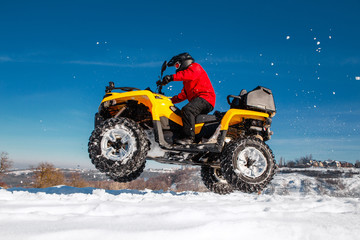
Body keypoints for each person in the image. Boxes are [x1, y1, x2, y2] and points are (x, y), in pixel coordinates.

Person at [160, 52, 216, 145]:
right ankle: (195, 140)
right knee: (184, 115)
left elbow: (188, 74)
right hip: (199, 100)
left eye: (177, 65)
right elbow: (183, 95)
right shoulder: (187, 82)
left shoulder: (195, 67)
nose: (176, 69)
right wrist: (169, 100)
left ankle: (189, 138)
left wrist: (171, 77)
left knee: (188, 110)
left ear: (184, 62)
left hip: (206, 98)